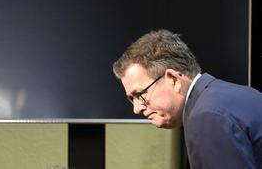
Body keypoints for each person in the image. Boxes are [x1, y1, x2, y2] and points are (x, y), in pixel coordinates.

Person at [112, 29, 262, 168]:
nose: (136, 108)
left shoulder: (206, 117)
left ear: (174, 79)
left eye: (140, 94)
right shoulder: (241, 95)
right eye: (132, 98)